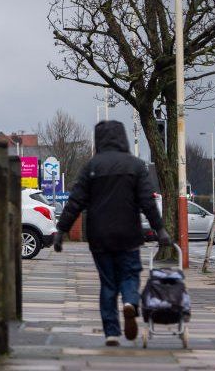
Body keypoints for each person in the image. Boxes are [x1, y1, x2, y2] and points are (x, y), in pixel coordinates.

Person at [54, 120, 170, 347]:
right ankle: (129, 301)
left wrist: (61, 231)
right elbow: (147, 201)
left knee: (107, 283)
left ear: (99, 140)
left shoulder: (91, 167)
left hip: (99, 235)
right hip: (129, 233)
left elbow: (75, 201)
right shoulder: (135, 166)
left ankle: (111, 332)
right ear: (123, 138)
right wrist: (160, 229)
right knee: (130, 274)